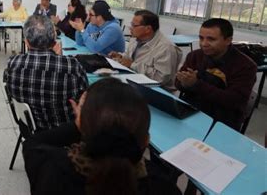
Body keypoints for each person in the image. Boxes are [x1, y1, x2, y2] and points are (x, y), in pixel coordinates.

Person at [22, 78, 181, 195]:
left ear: (82, 127)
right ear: (146, 141)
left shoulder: (53, 169)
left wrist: (78, 124)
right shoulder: (164, 188)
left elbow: (32, 143)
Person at [4, 15, 88, 131]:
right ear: (54, 39)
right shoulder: (72, 66)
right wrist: (58, 58)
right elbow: (84, 100)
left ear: (26, 42)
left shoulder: (13, 63)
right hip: (66, 133)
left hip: (31, 130)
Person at [176, 18, 257, 131]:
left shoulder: (245, 66)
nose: (204, 44)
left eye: (211, 39)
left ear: (228, 40)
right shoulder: (195, 56)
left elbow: (234, 101)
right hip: (190, 113)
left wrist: (196, 84)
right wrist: (184, 83)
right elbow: (178, 84)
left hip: (222, 122)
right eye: (201, 38)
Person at [109, 10, 182, 89]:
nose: (130, 28)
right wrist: (120, 57)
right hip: (133, 82)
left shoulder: (166, 48)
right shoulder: (135, 39)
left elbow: (161, 78)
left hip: (156, 90)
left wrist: (132, 65)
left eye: (134, 25)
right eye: (131, 24)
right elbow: (130, 58)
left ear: (148, 29)